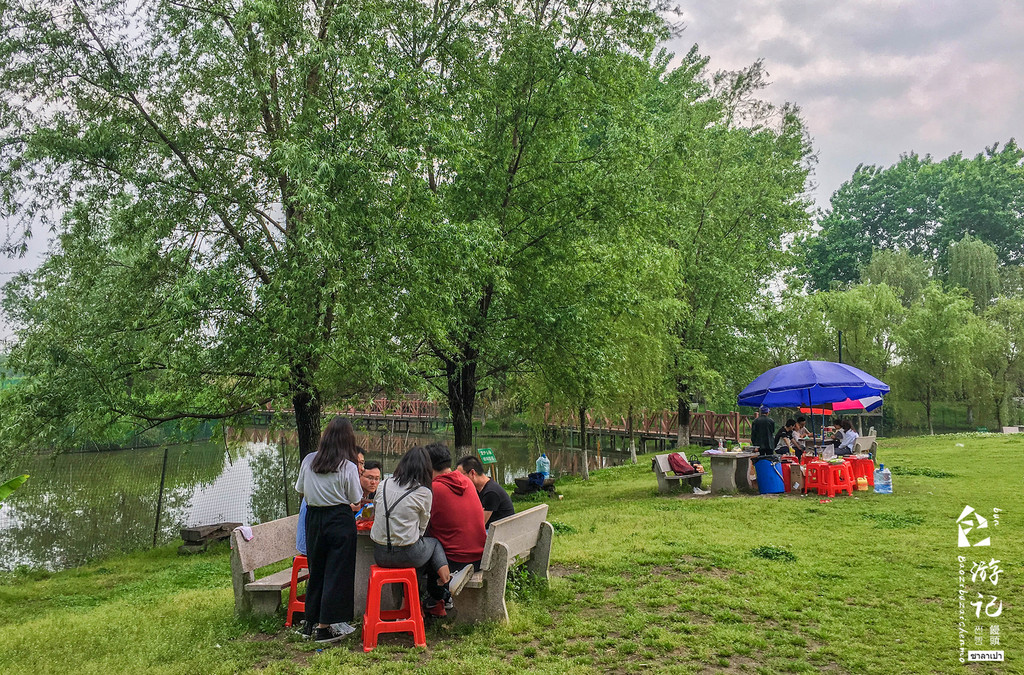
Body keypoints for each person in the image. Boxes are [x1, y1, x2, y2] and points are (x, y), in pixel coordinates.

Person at [371, 447, 474, 614]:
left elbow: (377, 511)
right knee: (433, 543)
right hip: (408, 556)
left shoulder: (383, 484)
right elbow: (422, 528)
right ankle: (446, 582)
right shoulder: (424, 492)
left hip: (380, 555)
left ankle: (410, 606)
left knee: (416, 551)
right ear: (426, 468)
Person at [293, 417, 363, 643]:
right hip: (339, 520)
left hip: (314, 519)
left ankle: (309, 623)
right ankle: (325, 628)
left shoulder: (309, 460)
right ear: (347, 441)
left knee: (317, 571)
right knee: (336, 572)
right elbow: (355, 498)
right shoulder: (348, 467)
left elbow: (300, 489)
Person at [423, 442, 487, 617]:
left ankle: (438, 596)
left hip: (456, 561)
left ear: (427, 466)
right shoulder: (466, 481)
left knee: (425, 545)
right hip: (479, 556)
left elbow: (423, 524)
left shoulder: (434, 489)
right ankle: (438, 597)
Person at [456, 455, 515, 528]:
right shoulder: (481, 488)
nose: (458, 479)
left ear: (472, 473)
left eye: (460, 475)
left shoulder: (491, 492)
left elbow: (479, 525)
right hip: (496, 531)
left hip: (500, 534)